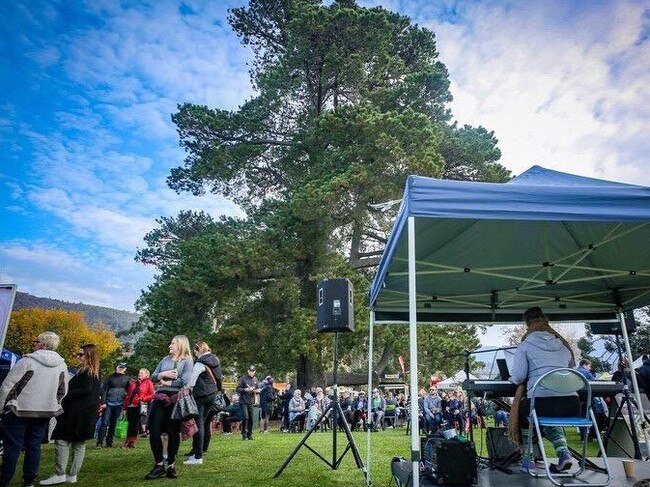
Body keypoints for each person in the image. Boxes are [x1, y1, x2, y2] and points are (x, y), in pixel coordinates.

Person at [509, 306, 578, 474]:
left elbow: (518, 377)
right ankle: (564, 454)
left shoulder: (526, 345)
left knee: (527, 413)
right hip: (572, 404)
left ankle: (528, 459)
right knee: (546, 415)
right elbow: (570, 369)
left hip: (541, 402)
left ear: (527, 325)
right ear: (546, 322)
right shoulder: (563, 345)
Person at [0, 332, 68, 487]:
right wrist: (53, 403)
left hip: (19, 410)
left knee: (12, 447)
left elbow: (8, 387)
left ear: (42, 344)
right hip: (44, 412)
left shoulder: (27, 361)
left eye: (36, 341)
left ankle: (4, 481)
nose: (34, 344)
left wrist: (2, 407)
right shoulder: (62, 365)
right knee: (34, 446)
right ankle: (29, 481)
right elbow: (63, 391)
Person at [40, 344, 102, 485]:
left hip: (76, 414)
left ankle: (60, 473)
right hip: (85, 415)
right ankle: (72, 475)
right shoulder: (95, 373)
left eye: (81, 354)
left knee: (62, 440)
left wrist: (65, 395)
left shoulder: (87, 373)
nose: (78, 357)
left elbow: (85, 390)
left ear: (89, 356)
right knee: (79, 444)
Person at [144, 335, 193, 480]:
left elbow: (185, 381)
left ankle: (171, 465)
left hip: (175, 400)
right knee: (154, 431)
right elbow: (152, 377)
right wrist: (163, 374)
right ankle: (159, 465)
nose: (170, 346)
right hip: (159, 399)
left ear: (181, 345)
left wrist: (166, 383)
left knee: (172, 433)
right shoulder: (164, 360)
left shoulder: (187, 361)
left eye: (173, 343)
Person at [185, 341, 221, 465]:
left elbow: (191, 382)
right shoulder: (215, 360)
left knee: (198, 425)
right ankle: (200, 450)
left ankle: (197, 456)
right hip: (212, 395)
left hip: (201, 396)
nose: (194, 354)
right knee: (204, 424)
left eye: (195, 351)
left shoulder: (200, 363)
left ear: (198, 350)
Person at [97, 362, 130, 448]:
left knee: (113, 424)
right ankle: (99, 443)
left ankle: (109, 443)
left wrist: (126, 404)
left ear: (125, 369)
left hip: (119, 404)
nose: (120, 369)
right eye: (119, 367)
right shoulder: (110, 378)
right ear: (116, 367)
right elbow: (103, 390)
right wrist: (103, 403)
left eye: (122, 368)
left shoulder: (127, 378)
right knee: (104, 423)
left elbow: (130, 391)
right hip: (108, 404)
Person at [123, 368, 155, 448]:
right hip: (130, 405)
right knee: (130, 424)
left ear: (146, 375)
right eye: (139, 373)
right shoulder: (133, 383)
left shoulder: (148, 382)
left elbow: (152, 395)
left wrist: (143, 399)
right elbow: (128, 395)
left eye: (142, 373)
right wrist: (125, 407)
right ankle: (128, 441)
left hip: (140, 405)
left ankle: (132, 441)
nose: (140, 374)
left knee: (135, 424)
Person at [236, 365, 260, 440]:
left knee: (251, 418)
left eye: (253, 371)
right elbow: (238, 389)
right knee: (245, 417)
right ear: (248, 371)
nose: (251, 372)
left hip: (251, 401)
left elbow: (258, 389)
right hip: (243, 401)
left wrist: (255, 391)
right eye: (250, 371)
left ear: (255, 371)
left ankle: (249, 434)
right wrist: (245, 390)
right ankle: (244, 434)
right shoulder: (243, 379)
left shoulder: (256, 379)